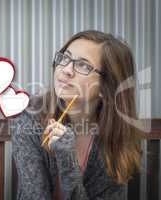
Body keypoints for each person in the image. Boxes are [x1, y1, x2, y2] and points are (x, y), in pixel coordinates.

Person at [10, 30, 145, 200]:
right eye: (65, 58)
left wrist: (67, 157)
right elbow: (34, 196)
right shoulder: (29, 117)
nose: (66, 70)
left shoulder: (116, 136)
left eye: (83, 65)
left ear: (106, 87)